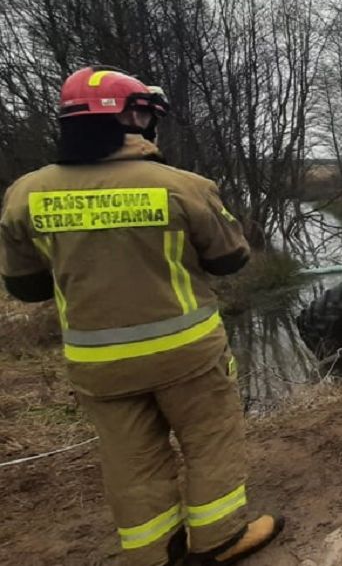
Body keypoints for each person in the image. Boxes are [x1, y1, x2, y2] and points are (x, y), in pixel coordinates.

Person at [0, 67, 282, 566]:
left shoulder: (26, 194)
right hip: (187, 355)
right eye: (146, 114)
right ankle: (218, 539)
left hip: (97, 363)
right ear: (130, 117)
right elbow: (230, 259)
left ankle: (153, 552)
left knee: (130, 458)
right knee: (210, 441)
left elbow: (24, 286)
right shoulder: (180, 186)